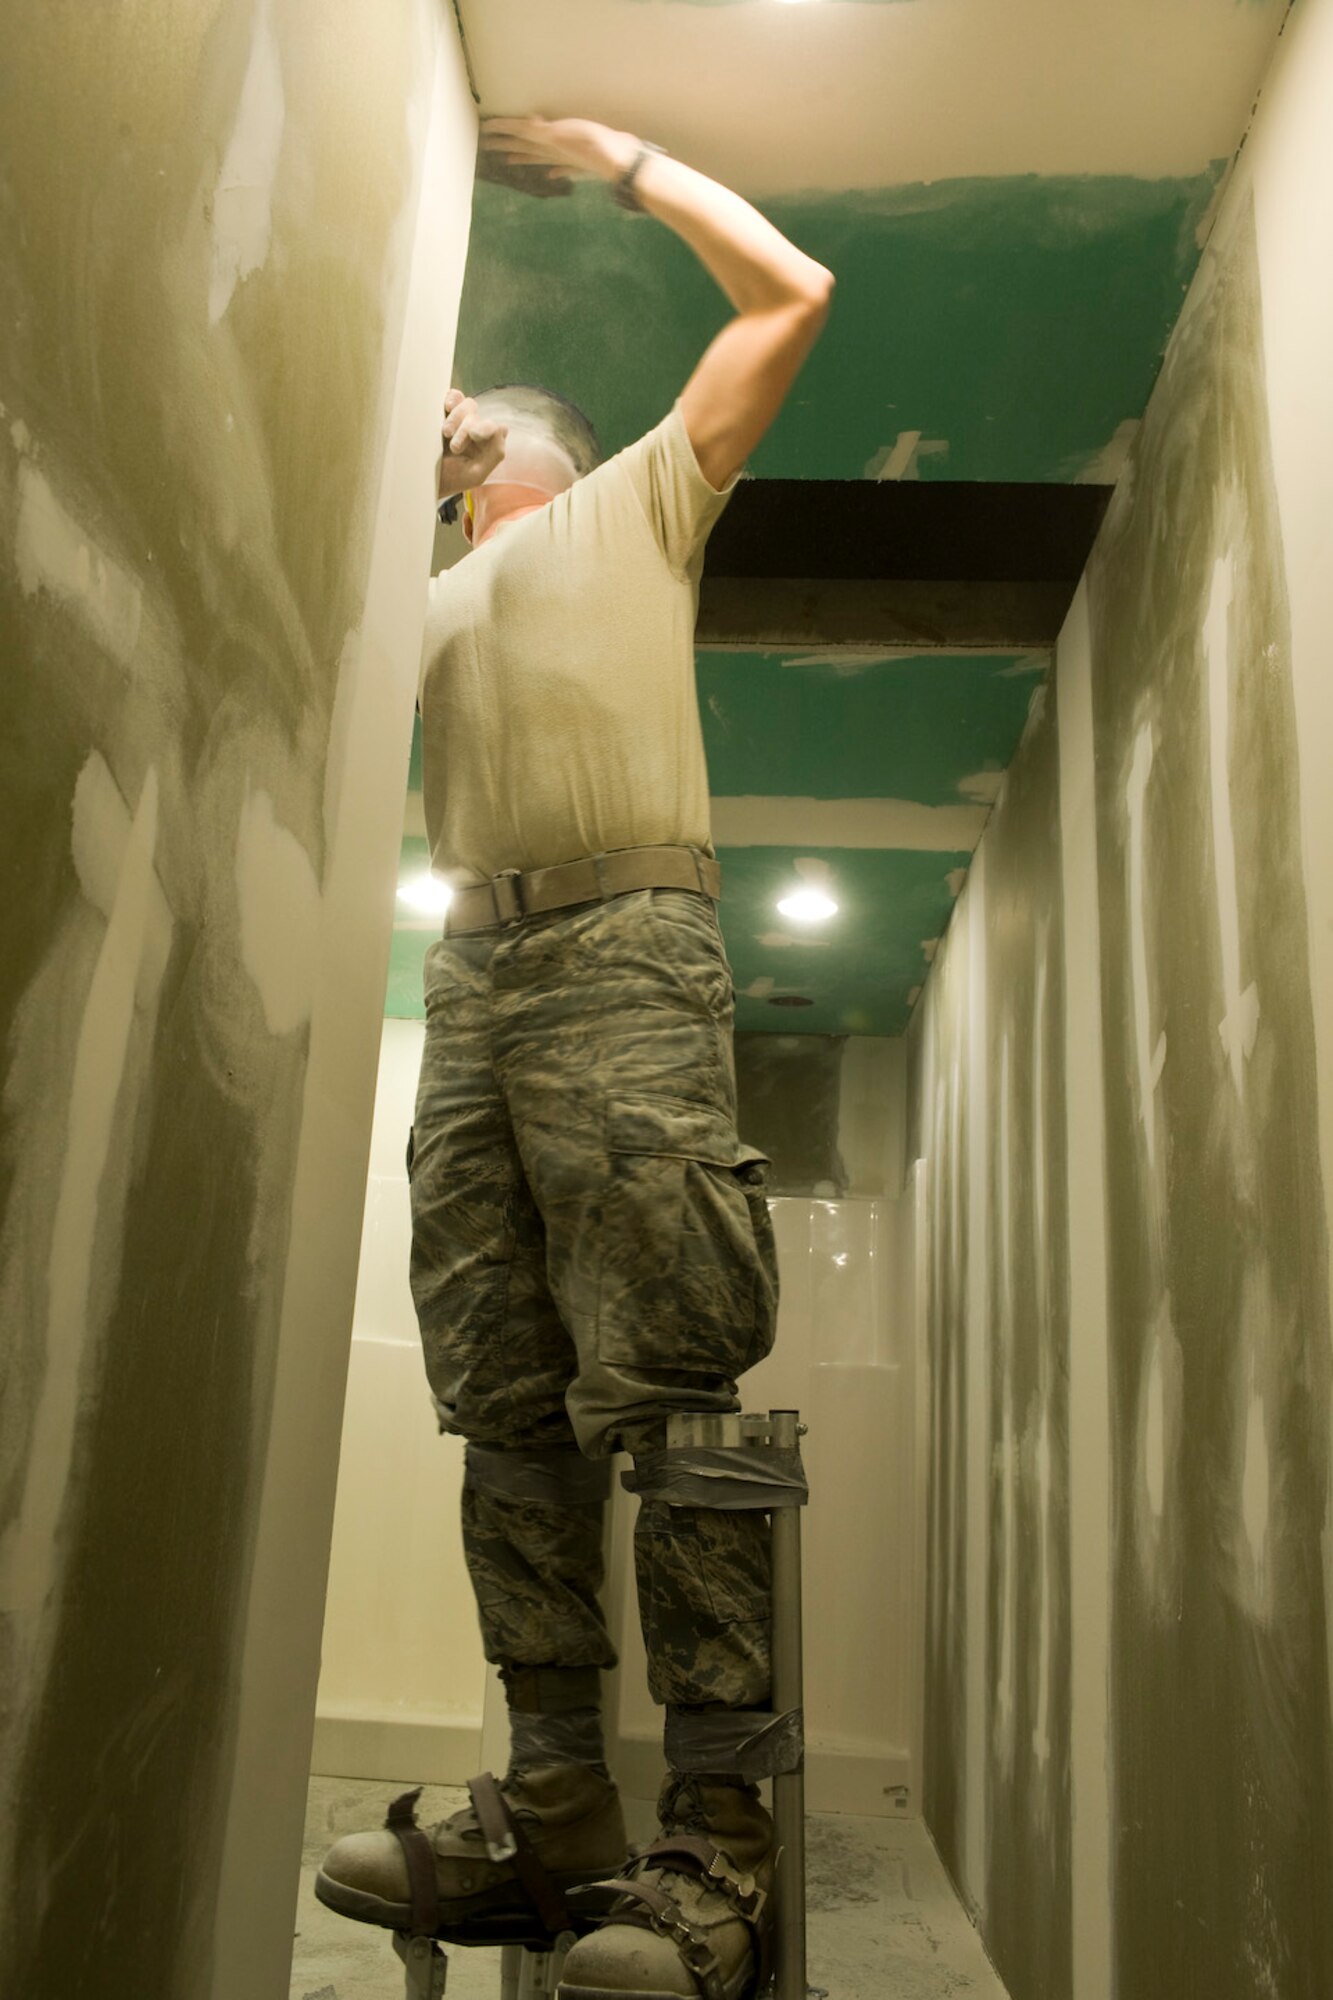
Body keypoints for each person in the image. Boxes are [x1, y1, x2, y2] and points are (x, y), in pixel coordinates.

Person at [317, 115, 832, 2000]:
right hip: (472, 971)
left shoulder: (630, 504)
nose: (457, 440)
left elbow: (792, 296)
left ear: (526, 443)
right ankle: (551, 1811)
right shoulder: (418, 600)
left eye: (473, 426)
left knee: (670, 1396)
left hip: (626, 942)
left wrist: (627, 163)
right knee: (502, 1396)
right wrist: (397, 463)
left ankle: (717, 1845)